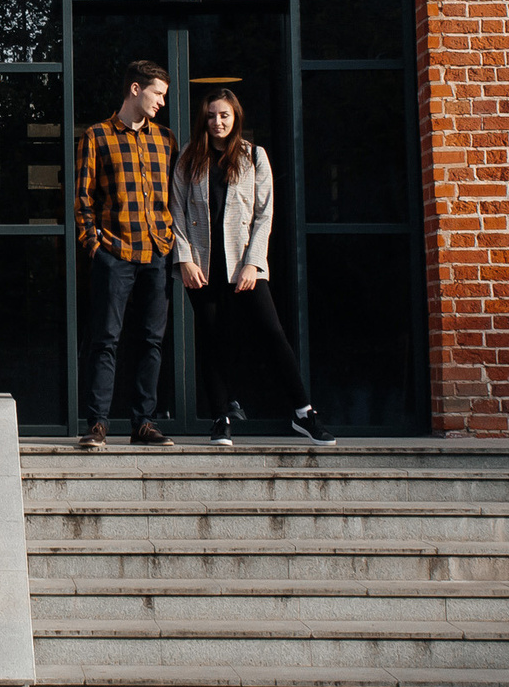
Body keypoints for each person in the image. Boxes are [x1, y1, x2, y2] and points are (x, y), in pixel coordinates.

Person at [171, 88, 334, 446]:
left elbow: (265, 215)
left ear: (236, 118)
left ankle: (304, 413)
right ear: (205, 119)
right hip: (201, 265)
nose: (218, 122)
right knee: (212, 341)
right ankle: (221, 418)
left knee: (272, 335)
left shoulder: (254, 157)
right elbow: (176, 212)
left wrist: (253, 264)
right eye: (212, 116)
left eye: (224, 115)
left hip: (243, 264)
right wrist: (183, 258)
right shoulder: (189, 157)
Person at [73, 59, 177, 450]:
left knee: (152, 340)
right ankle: (98, 424)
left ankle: (143, 424)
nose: (161, 103)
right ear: (135, 89)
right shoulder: (97, 137)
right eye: (157, 94)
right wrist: (95, 249)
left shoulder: (165, 140)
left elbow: (175, 198)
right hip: (115, 253)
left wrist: (170, 243)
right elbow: (82, 201)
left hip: (157, 251)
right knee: (105, 339)